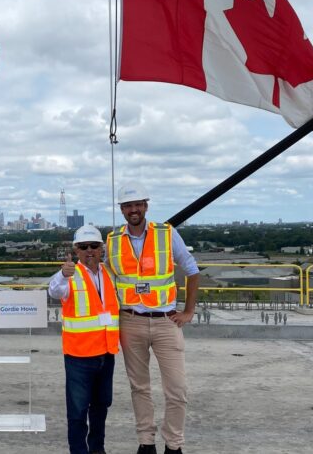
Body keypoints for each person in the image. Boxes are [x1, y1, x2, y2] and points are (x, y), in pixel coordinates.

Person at [106, 183, 200, 454]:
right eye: (128, 205)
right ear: (122, 210)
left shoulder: (166, 234)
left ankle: (174, 444)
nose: (133, 209)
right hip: (130, 321)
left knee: (177, 389)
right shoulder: (112, 240)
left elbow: (192, 271)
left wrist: (188, 312)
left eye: (138, 204)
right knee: (140, 387)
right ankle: (146, 442)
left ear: (146, 206)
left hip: (165, 321)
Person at [48, 225, 119, 454]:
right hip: (79, 357)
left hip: (106, 354)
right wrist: (62, 273)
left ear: (101, 249)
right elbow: (54, 290)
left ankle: (97, 449)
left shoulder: (109, 273)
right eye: (84, 247)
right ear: (76, 250)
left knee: (101, 408)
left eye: (94, 246)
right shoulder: (71, 276)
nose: (89, 251)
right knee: (78, 412)